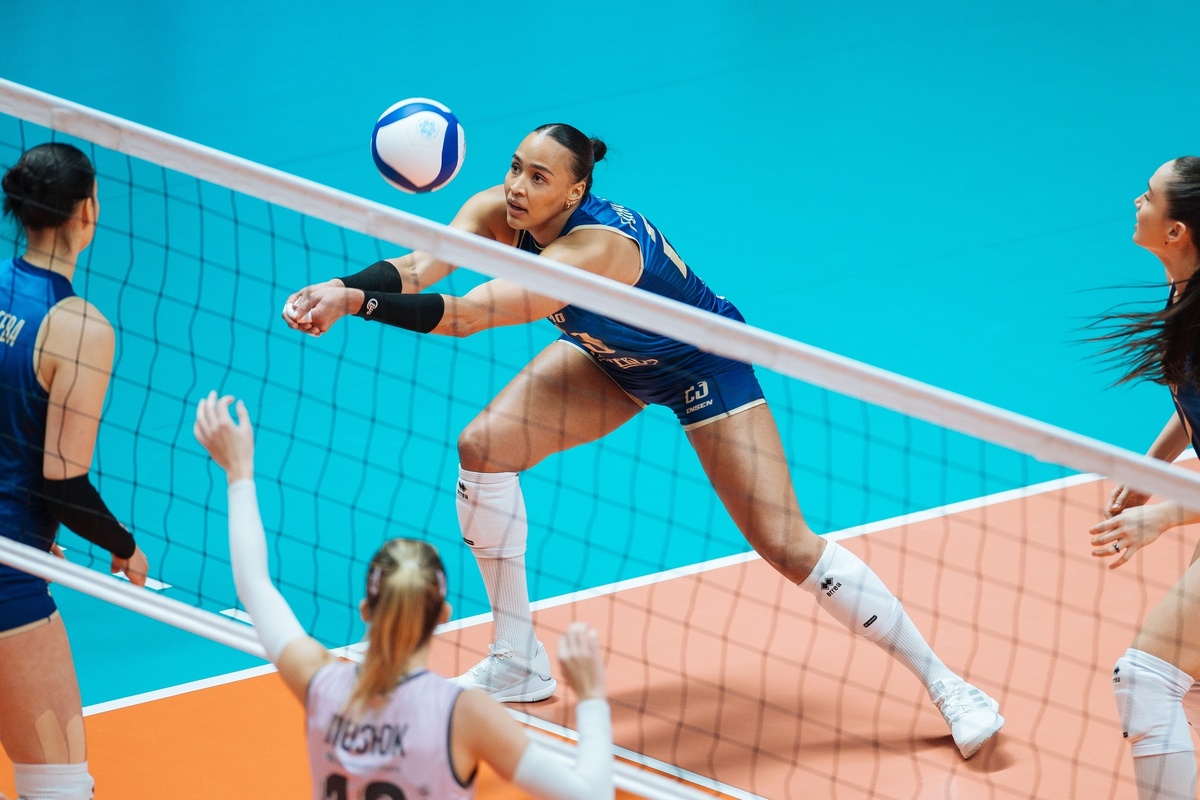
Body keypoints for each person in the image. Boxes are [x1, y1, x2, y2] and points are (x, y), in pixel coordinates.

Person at [283, 122, 1005, 758]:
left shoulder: (595, 249)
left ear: (575, 192)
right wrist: (338, 289)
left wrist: (359, 305)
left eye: (540, 178)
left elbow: (470, 314)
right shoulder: (498, 210)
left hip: (701, 364)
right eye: (515, 168)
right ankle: (516, 662)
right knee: (484, 447)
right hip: (611, 359)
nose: (518, 186)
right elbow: (420, 266)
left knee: (786, 545)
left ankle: (950, 686)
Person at [193, 390, 613, 799]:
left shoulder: (321, 684)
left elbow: (253, 584)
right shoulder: (463, 714)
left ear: (365, 609)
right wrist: (592, 695)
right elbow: (592, 795)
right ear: (443, 615)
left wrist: (239, 472)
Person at [0, 143, 149, 799]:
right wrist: (124, 546)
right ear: (87, 211)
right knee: (57, 783)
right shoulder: (80, 327)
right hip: (7, 574)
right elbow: (62, 481)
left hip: (15, 544)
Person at [1090, 156, 1200, 800]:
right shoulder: (1188, 290)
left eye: (1150, 196)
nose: (1138, 199)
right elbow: (1192, 402)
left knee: (1147, 678)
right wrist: (1149, 470)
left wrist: (1162, 514)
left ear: (1176, 231)